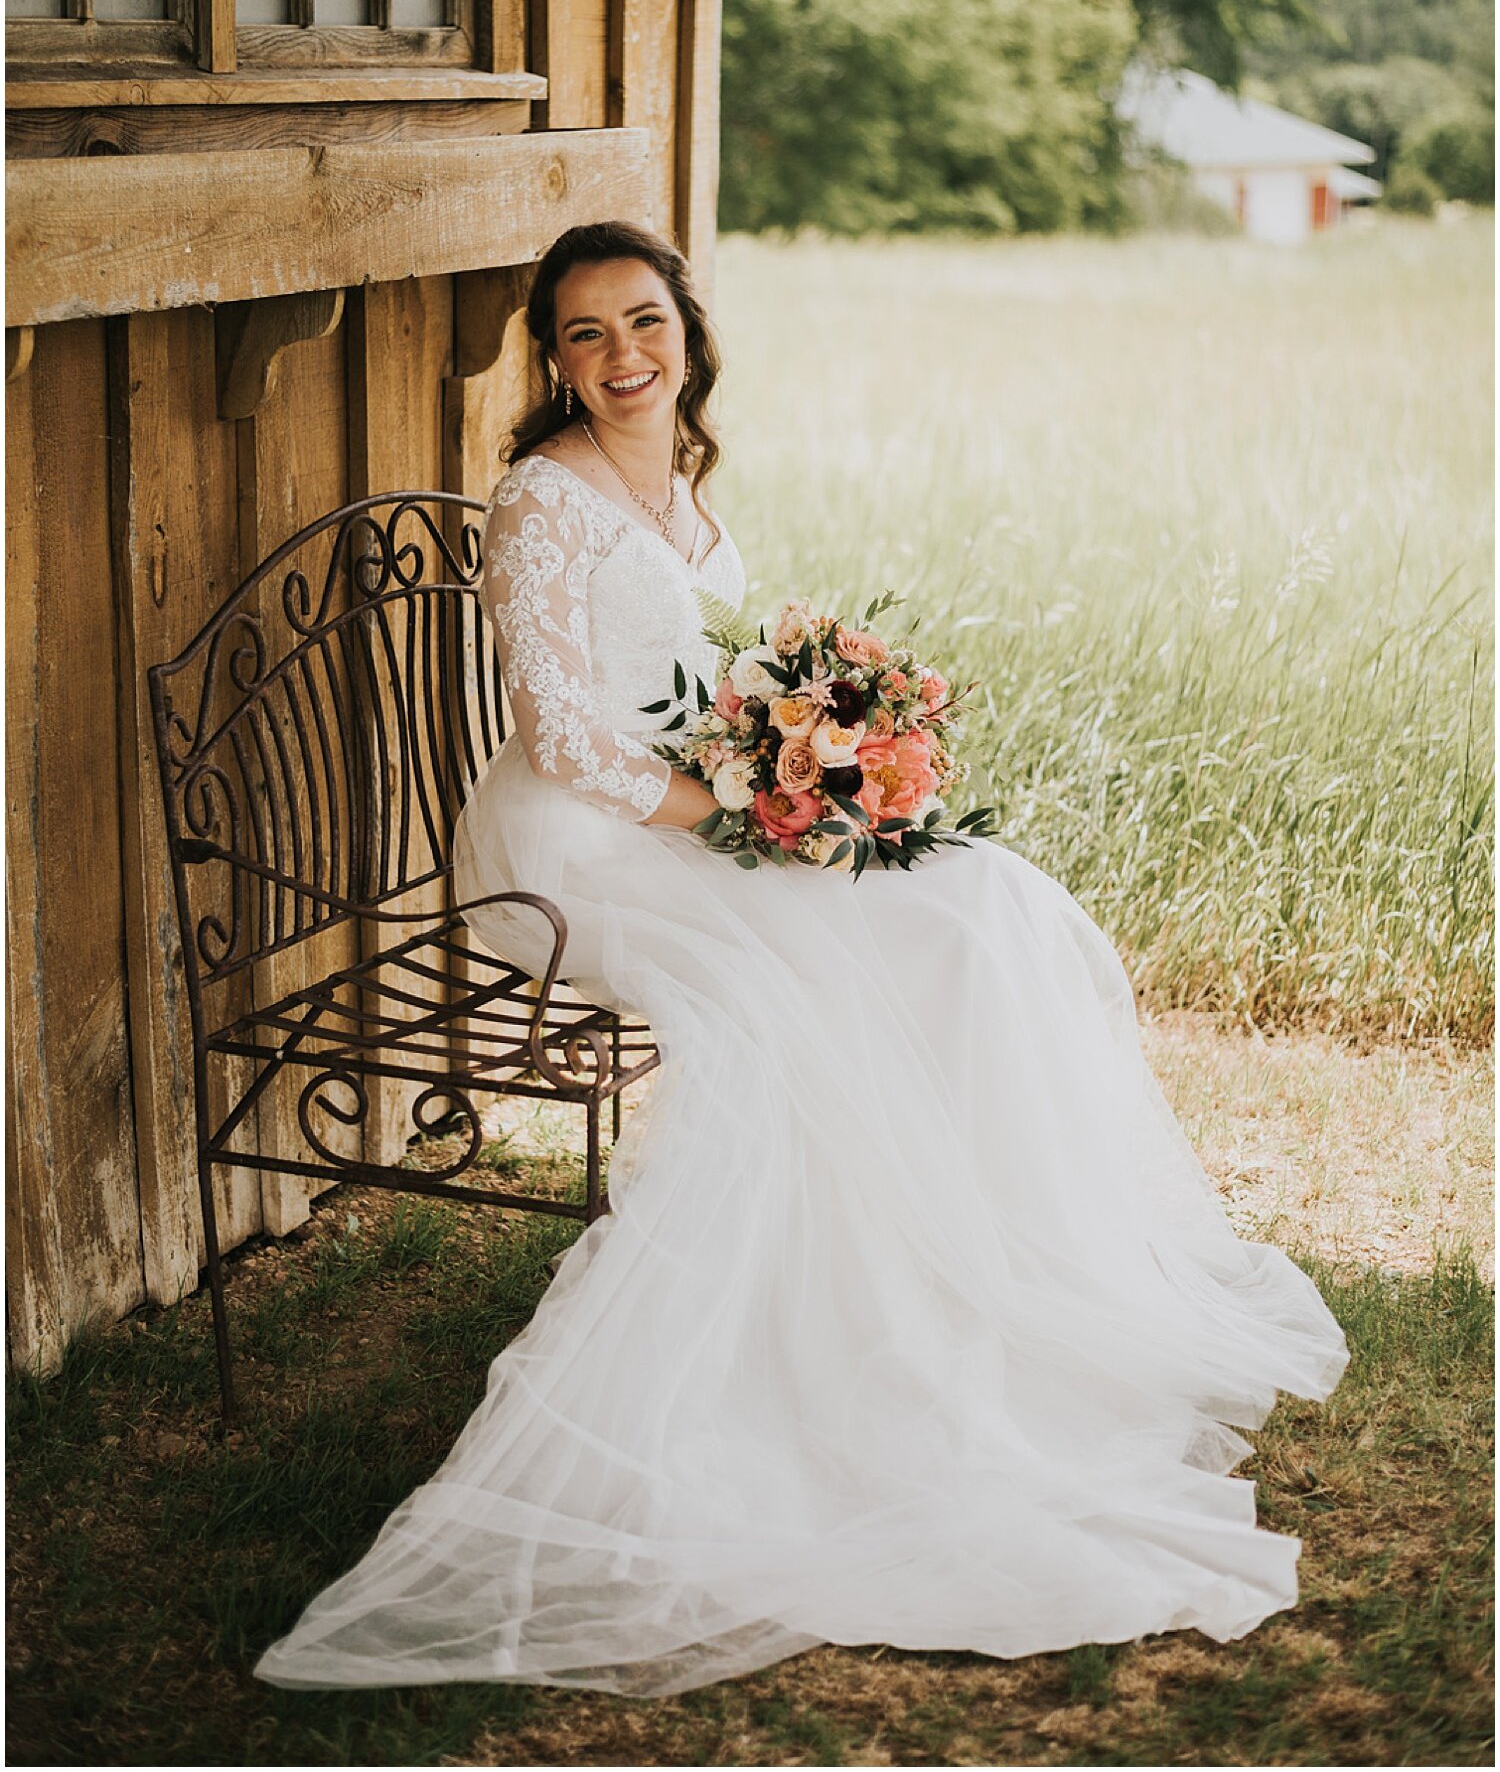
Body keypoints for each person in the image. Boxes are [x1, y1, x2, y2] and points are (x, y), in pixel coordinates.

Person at [254, 218, 1349, 1698]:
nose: (624, 357)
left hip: (688, 813)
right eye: (586, 335)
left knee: (982, 906)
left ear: (687, 329)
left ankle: (976, 1294)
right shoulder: (539, 502)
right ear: (553, 359)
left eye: (645, 322)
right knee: (833, 977)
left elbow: (701, 686)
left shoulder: (683, 482)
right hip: (573, 849)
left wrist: (817, 767)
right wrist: (753, 815)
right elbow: (567, 737)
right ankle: (841, 1350)